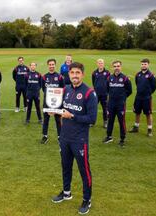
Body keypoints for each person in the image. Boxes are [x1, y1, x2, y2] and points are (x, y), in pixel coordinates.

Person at [51, 62, 97, 215]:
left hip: (79, 140)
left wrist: (73, 116)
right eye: (72, 73)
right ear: (69, 74)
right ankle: (66, 192)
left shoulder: (89, 93)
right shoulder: (66, 89)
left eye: (78, 72)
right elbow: (60, 108)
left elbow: (92, 118)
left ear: (82, 74)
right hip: (65, 137)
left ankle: (87, 199)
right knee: (65, 166)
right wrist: (53, 111)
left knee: (84, 170)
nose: (75, 75)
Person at [103, 60, 132, 147]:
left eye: (118, 66)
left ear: (121, 67)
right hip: (111, 103)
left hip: (120, 104)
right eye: (115, 66)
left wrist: (123, 97)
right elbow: (107, 90)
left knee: (121, 121)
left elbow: (129, 91)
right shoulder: (109, 78)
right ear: (112, 67)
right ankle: (109, 136)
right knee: (110, 120)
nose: (116, 68)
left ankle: (122, 138)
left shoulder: (125, 78)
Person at [129, 58, 156, 136]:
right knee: (137, 112)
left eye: (145, 64)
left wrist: (148, 93)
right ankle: (136, 127)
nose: (143, 65)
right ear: (140, 65)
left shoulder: (151, 75)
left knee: (148, 114)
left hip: (147, 98)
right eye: (142, 64)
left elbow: (154, 87)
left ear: (148, 65)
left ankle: (149, 129)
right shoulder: (138, 74)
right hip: (138, 97)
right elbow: (137, 84)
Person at [41, 58, 64, 144]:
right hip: (47, 102)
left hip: (57, 103)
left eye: (52, 64)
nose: (51, 66)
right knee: (46, 119)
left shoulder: (60, 77)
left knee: (58, 120)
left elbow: (62, 88)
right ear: (48, 65)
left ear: (55, 65)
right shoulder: (44, 77)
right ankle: (45, 136)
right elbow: (43, 88)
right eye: (50, 64)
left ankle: (60, 137)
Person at [91, 59, 110, 128]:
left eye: (101, 63)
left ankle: (105, 122)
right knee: (93, 108)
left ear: (103, 64)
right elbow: (93, 82)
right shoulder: (94, 73)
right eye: (99, 63)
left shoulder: (107, 73)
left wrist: (108, 92)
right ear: (97, 64)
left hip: (104, 94)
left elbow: (109, 83)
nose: (100, 64)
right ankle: (92, 122)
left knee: (105, 108)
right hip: (96, 94)